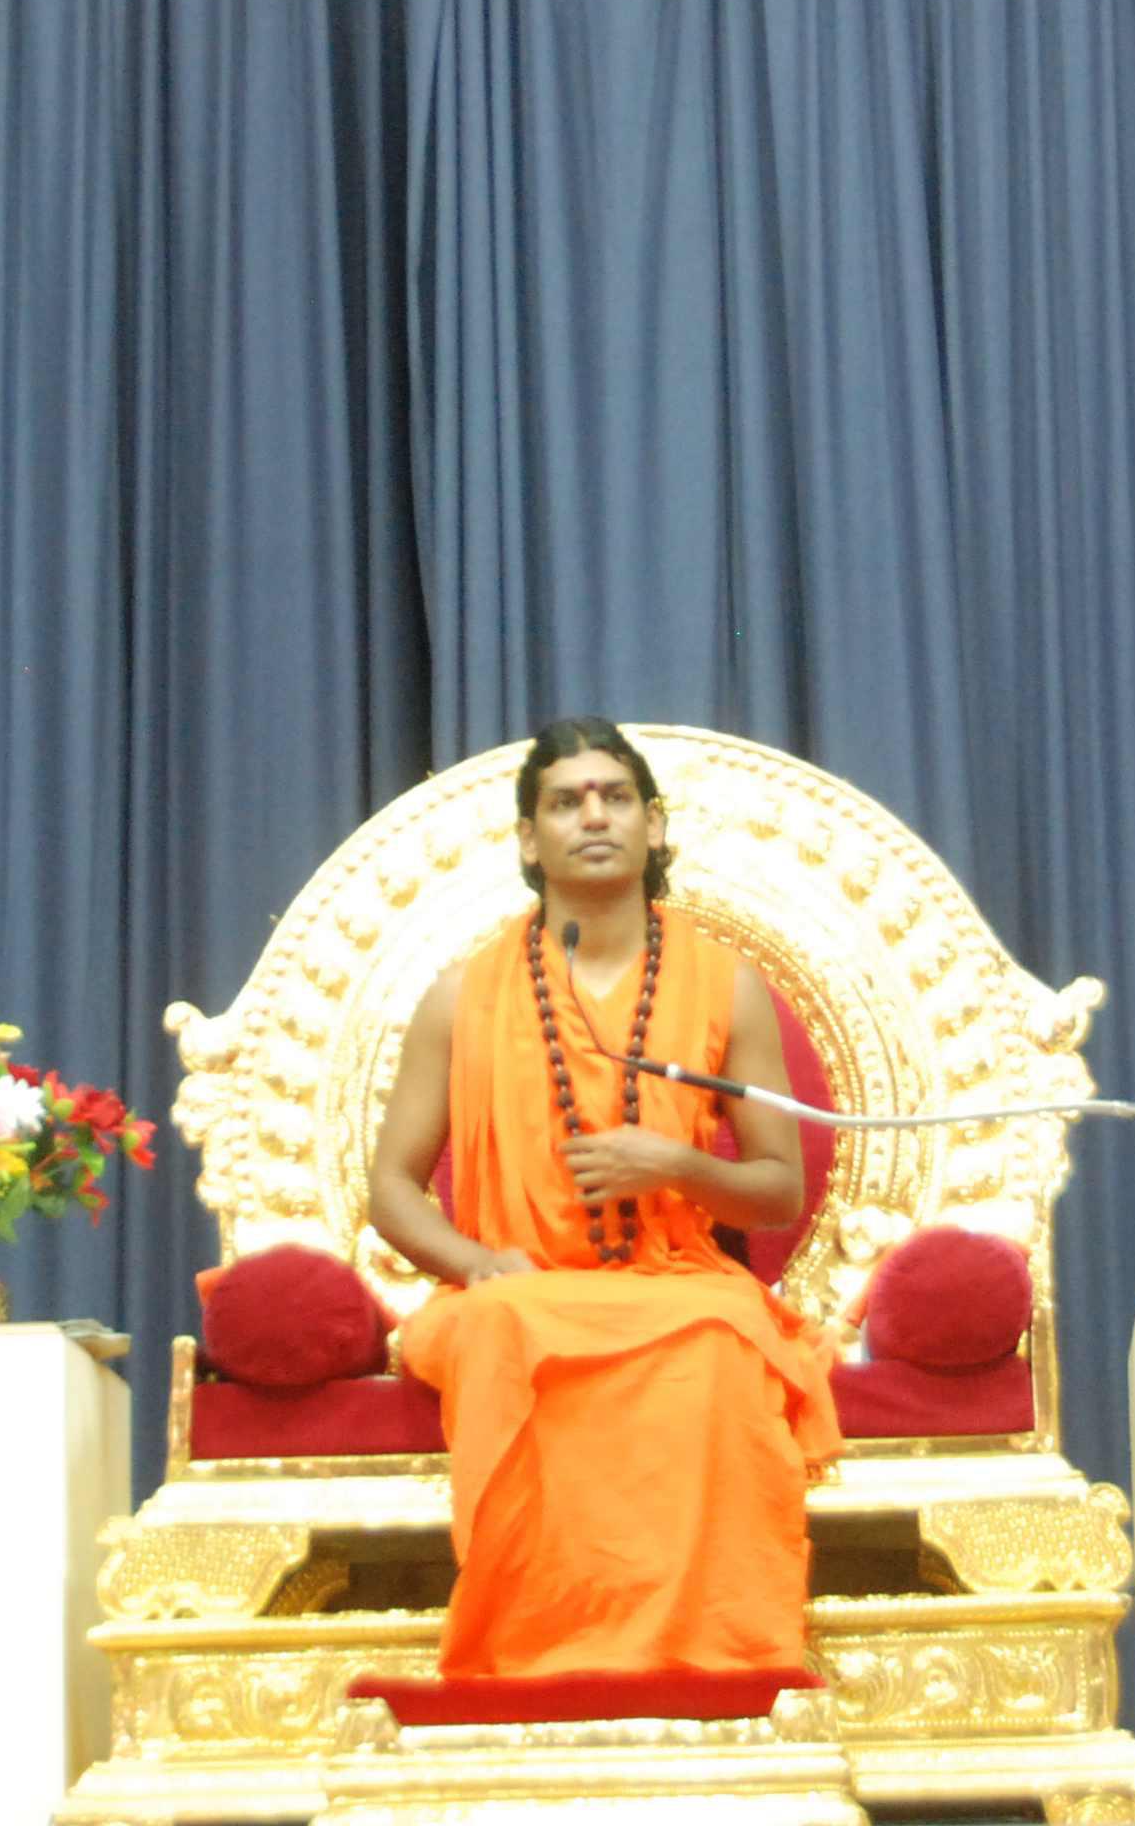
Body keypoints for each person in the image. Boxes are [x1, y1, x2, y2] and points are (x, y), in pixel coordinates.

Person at [368, 715, 844, 1680]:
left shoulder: (727, 985)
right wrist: (476, 1264)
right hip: (519, 1290)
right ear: (527, 839)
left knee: (721, 1343)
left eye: (616, 797)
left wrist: (675, 1167)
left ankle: (716, 1660)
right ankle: (533, 1661)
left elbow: (777, 1192)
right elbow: (391, 1188)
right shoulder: (460, 997)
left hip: (674, 1285)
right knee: (502, 1329)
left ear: (654, 825)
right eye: (565, 802)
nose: (594, 817)